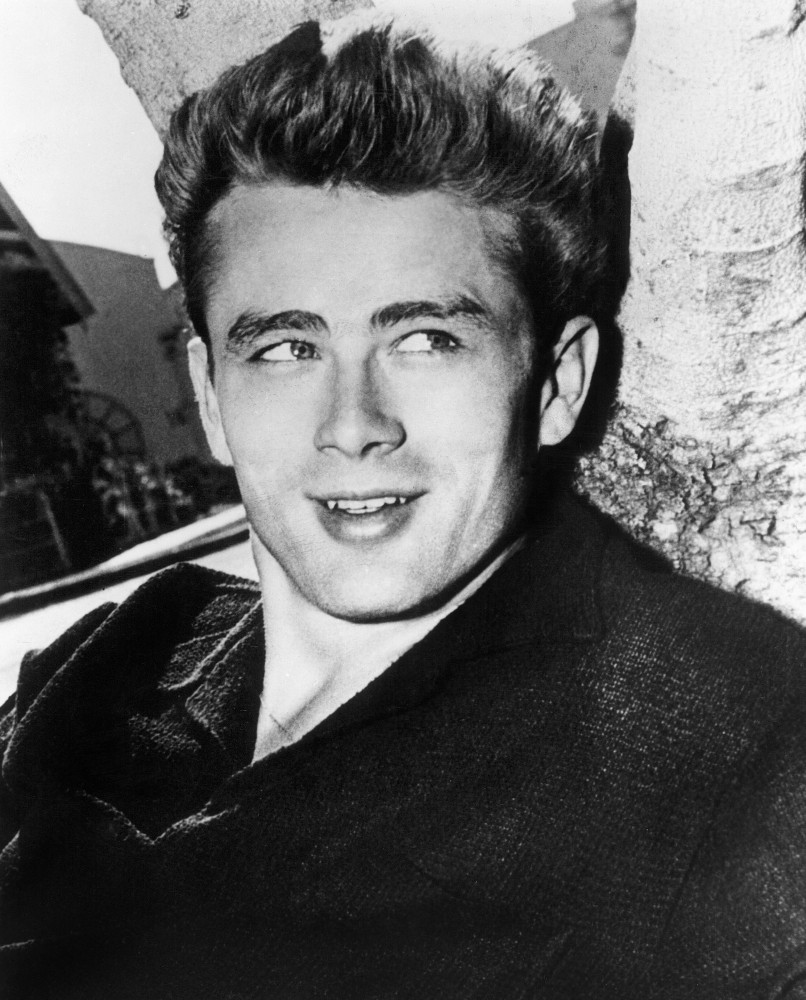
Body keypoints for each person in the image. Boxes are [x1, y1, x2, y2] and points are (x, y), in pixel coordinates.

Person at [2, 16, 806, 1000]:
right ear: (209, 396)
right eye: (287, 348)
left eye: (425, 340)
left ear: (557, 383)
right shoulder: (106, 664)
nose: (354, 424)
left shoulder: (727, 763)